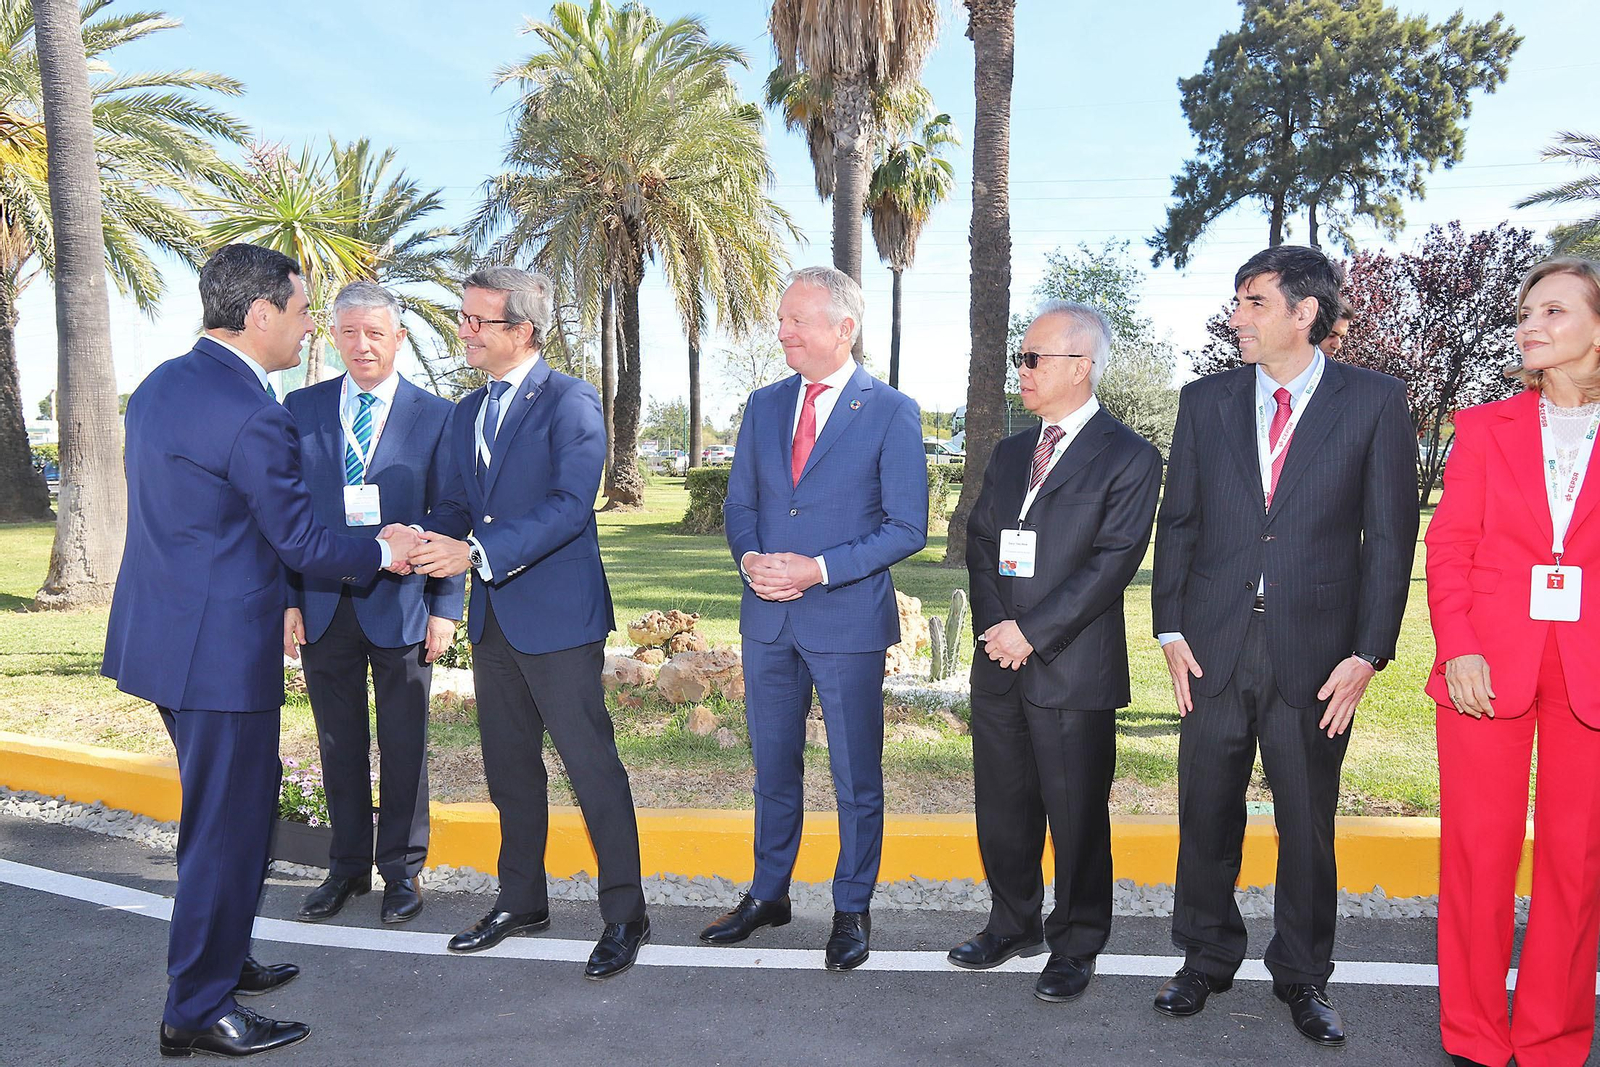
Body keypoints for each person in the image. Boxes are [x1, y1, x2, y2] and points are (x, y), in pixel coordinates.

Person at [102, 243, 417, 1058]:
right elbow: (306, 541)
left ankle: (223, 954)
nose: (312, 327)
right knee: (226, 825)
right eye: (305, 310)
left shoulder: (161, 384)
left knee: (230, 806)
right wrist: (384, 549)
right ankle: (197, 1008)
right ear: (260, 314)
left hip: (164, 641)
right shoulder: (253, 410)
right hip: (218, 653)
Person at [1150, 245, 1418, 1047]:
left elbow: (1391, 539)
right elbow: (1182, 521)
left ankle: (1303, 975)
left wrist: (1368, 652)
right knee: (1205, 808)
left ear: (1305, 313)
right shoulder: (1205, 401)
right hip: (1213, 645)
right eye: (1239, 301)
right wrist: (1169, 626)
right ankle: (1205, 954)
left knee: (1307, 819)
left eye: (1254, 301)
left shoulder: (1375, 401)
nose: (1237, 317)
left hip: (1319, 651)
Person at [405, 266, 648, 980]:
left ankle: (626, 912)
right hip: (494, 620)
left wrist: (474, 550)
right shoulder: (465, 413)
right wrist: (420, 538)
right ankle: (522, 898)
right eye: (464, 317)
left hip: (560, 619)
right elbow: (455, 506)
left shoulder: (570, 401)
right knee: (510, 770)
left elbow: (571, 505)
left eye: (479, 321)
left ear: (523, 330)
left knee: (591, 766)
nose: (465, 331)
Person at [702, 265, 927, 970]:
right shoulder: (764, 404)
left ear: (844, 327)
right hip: (766, 619)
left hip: (847, 621)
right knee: (773, 767)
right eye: (781, 319)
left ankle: (852, 907)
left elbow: (907, 526)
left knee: (856, 774)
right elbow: (741, 505)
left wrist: (816, 568)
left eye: (797, 320)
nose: (783, 332)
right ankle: (769, 893)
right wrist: (751, 562)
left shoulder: (891, 410)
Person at [952, 302, 1162, 1003]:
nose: (1023, 369)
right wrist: (995, 627)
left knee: (1075, 817)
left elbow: (1111, 564)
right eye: (1022, 356)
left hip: (1070, 669)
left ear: (1082, 366)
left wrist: (1032, 632)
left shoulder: (1129, 456)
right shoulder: (1012, 451)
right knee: (1003, 806)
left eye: (1035, 357)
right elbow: (982, 540)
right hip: (999, 659)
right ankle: (1013, 921)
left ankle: (1075, 942)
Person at [1426, 257, 1600, 1067]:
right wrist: (1457, 642)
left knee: (1577, 860)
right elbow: (1451, 542)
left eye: (1554, 311)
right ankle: (1473, 1032)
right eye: (1526, 310)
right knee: (1477, 852)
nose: (1530, 324)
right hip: (1485, 664)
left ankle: (1554, 1037)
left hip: (1590, 670)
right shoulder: (1484, 426)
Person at [282, 281, 463, 926]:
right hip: (323, 603)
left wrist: (446, 606)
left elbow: (452, 517)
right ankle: (348, 866)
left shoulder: (439, 417)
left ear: (399, 339)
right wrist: (287, 600)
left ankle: (402, 872)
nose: (363, 346)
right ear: (333, 336)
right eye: (350, 332)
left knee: (404, 742)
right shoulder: (298, 408)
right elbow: (283, 515)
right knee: (338, 740)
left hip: (405, 605)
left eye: (376, 334)